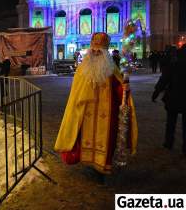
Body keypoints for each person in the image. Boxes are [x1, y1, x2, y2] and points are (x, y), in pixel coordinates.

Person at [54, 32, 138, 177]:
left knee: (106, 140)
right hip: (86, 113)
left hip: (106, 114)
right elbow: (76, 92)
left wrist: (124, 87)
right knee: (83, 138)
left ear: (105, 52)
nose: (96, 53)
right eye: (93, 50)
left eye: (99, 51)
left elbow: (119, 88)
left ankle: (101, 168)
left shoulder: (112, 69)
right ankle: (88, 163)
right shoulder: (82, 69)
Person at [152, 44, 186, 155]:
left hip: (173, 95)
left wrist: (156, 93)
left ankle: (168, 142)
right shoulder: (174, 61)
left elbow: (164, 78)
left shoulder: (174, 62)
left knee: (171, 122)